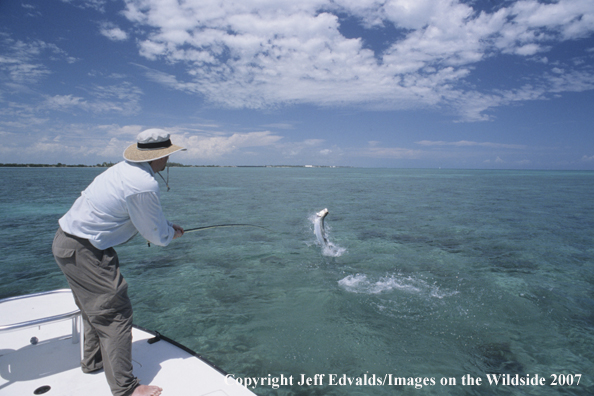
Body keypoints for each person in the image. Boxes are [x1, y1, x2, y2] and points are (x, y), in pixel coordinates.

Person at [52, 129, 186, 396]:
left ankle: (93, 362)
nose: (168, 160)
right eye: (168, 155)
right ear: (159, 156)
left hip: (68, 243)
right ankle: (126, 389)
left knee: (95, 313)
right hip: (85, 250)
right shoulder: (143, 183)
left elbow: (137, 216)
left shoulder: (122, 170)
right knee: (115, 314)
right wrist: (171, 233)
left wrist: (167, 225)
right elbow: (155, 235)